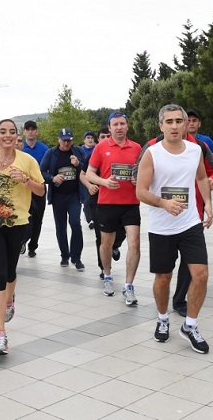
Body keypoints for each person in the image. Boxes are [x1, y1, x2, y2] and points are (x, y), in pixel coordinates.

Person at [136, 104, 213, 353]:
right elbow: (140, 191)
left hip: (190, 223)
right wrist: (163, 203)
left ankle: (190, 325)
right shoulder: (152, 153)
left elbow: (202, 178)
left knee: (200, 274)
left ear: (185, 124)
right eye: (169, 122)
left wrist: (208, 205)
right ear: (161, 125)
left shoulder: (195, 150)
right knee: (163, 278)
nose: (175, 126)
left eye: (179, 121)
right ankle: (162, 318)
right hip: (161, 227)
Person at [0, 119, 45, 355]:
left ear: (17, 137)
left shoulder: (27, 160)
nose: (7, 136)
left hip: (17, 222)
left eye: (12, 132)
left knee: (9, 272)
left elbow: (41, 190)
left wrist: (25, 180)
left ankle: (10, 299)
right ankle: (0, 334)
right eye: (2, 132)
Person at [86, 112, 143, 305]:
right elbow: (89, 174)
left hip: (131, 204)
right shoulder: (101, 147)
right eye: (115, 124)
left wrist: (138, 180)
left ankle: (128, 286)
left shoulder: (136, 148)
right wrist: (104, 182)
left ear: (127, 126)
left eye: (122, 124)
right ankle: (108, 276)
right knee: (106, 244)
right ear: (109, 128)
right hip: (107, 203)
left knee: (134, 243)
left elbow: (145, 173)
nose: (119, 127)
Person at [81, 127, 126, 279]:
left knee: (122, 230)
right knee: (100, 235)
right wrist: (89, 185)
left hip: (120, 199)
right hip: (98, 200)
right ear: (97, 140)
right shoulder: (95, 154)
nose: (106, 138)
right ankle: (103, 267)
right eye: (102, 136)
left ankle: (115, 245)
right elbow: (82, 174)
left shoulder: (120, 152)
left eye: (108, 135)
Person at [40, 128, 87, 270]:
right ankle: (64, 256)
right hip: (58, 196)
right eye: (64, 140)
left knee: (76, 224)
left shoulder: (78, 152)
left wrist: (78, 165)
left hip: (74, 195)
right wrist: (52, 178)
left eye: (69, 140)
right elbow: (41, 171)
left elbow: (88, 170)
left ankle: (76, 257)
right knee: (61, 227)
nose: (66, 143)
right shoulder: (51, 153)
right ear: (58, 140)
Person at [21, 119, 48, 257]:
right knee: (25, 217)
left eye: (33, 129)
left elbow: (48, 169)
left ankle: (33, 246)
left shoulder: (44, 149)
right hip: (23, 188)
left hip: (38, 187)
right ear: (24, 131)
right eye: (28, 129)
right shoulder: (20, 148)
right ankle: (23, 240)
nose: (30, 132)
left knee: (38, 219)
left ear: (36, 131)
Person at [81, 131, 97, 228]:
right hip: (84, 177)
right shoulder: (81, 150)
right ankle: (90, 220)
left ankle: (93, 216)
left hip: (95, 177)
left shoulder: (96, 149)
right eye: (88, 138)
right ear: (84, 140)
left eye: (92, 138)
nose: (90, 140)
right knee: (86, 199)